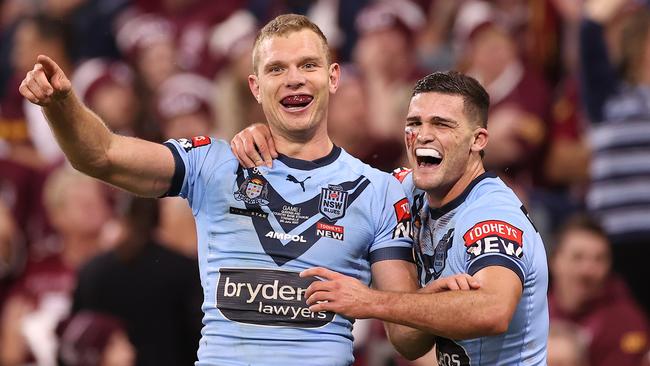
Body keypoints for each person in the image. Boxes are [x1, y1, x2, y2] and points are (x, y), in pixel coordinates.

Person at [18, 13, 476, 366]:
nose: (294, 77)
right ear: (256, 87)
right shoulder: (211, 163)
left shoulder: (379, 191)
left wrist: (430, 303)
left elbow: (406, 340)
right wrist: (62, 105)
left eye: (308, 65)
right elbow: (101, 156)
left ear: (333, 77)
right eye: (278, 68)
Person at [233, 71, 549, 365]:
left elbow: (493, 311)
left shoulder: (491, 214)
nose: (423, 135)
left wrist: (369, 301)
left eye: (442, 124)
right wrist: (269, 137)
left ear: (478, 140)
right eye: (414, 123)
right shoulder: (404, 191)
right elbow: (407, 343)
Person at [548, 214, 649, 366]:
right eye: (578, 257)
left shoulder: (626, 320)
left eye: (599, 259)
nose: (588, 270)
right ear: (555, 261)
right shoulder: (532, 314)